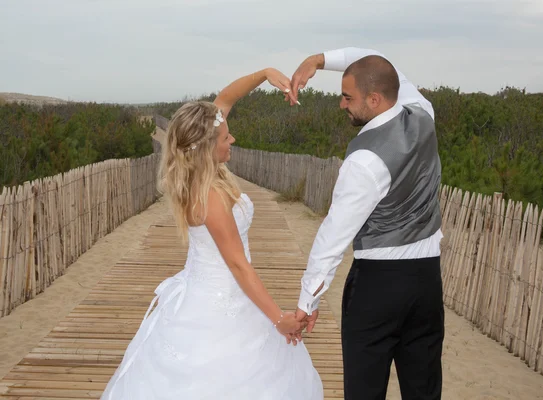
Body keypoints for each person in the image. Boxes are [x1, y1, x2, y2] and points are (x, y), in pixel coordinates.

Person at [100, 67, 323, 400]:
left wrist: (265, 75)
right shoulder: (210, 196)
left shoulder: (201, 172)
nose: (232, 139)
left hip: (212, 289)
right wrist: (278, 318)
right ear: (205, 148)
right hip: (222, 299)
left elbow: (225, 99)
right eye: (226, 138)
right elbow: (238, 265)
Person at [289, 47, 445, 400]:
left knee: (365, 390)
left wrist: (306, 303)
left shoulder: (364, 160)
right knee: (424, 389)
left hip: (378, 286)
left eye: (348, 97)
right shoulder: (424, 115)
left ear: (374, 99)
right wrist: (317, 61)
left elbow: (333, 236)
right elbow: (378, 60)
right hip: (427, 283)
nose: (342, 104)